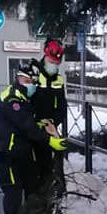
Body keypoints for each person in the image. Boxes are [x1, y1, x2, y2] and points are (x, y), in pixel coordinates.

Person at [0, 61, 67, 214]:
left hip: (22, 155)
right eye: (28, 81)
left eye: (33, 82)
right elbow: (26, 126)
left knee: (33, 189)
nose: (32, 85)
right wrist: (51, 141)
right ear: (19, 80)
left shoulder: (24, 100)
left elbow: (30, 123)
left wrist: (43, 125)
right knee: (13, 193)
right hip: (7, 155)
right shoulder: (13, 100)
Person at [32, 39, 67, 185]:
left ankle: (53, 196)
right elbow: (25, 103)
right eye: (51, 62)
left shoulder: (58, 80)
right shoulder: (32, 75)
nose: (54, 66)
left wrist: (53, 122)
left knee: (54, 166)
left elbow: (62, 107)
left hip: (50, 128)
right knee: (32, 169)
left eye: (56, 64)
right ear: (45, 58)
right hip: (31, 128)